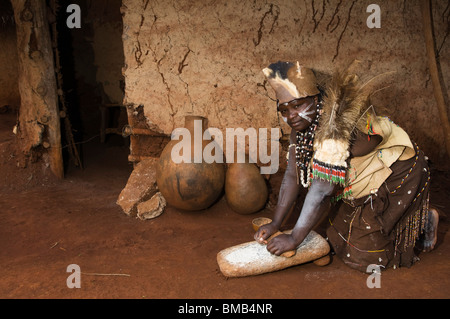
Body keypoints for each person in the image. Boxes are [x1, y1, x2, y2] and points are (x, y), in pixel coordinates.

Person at [254, 61, 439, 272]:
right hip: (364, 176)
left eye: (298, 105)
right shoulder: (301, 128)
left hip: (398, 171)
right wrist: (276, 223)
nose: (291, 116)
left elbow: (322, 191)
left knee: (365, 258)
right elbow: (292, 176)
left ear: (316, 99)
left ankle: (422, 221)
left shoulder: (335, 128)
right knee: (336, 237)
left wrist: (294, 238)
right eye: (284, 110)